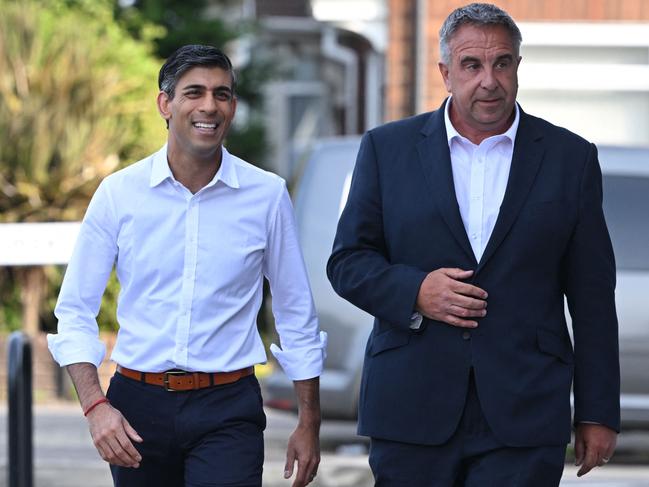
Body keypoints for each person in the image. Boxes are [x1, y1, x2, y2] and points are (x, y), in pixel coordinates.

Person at [327, 3, 619, 486]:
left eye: (502, 63)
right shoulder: (387, 149)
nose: (489, 80)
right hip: (412, 405)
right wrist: (416, 290)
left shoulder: (571, 159)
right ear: (445, 72)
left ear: (518, 68)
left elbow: (592, 298)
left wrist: (598, 411)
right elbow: (347, 262)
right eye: (472, 65)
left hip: (524, 410)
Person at [48, 44, 326, 487]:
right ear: (166, 103)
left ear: (233, 106)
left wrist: (309, 422)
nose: (209, 106)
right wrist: (95, 407)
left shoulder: (267, 195)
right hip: (136, 408)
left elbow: (296, 314)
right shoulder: (119, 194)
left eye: (222, 94)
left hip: (228, 409)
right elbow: (74, 311)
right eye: (194, 92)